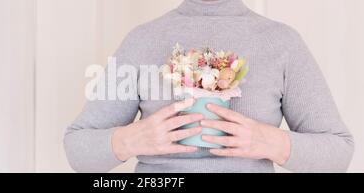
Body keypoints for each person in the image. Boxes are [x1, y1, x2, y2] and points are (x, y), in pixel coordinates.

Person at [64, 0, 354, 173]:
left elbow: (339, 151)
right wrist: (129, 140)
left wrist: (271, 142)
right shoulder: (142, 40)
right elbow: (77, 148)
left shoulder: (282, 42)